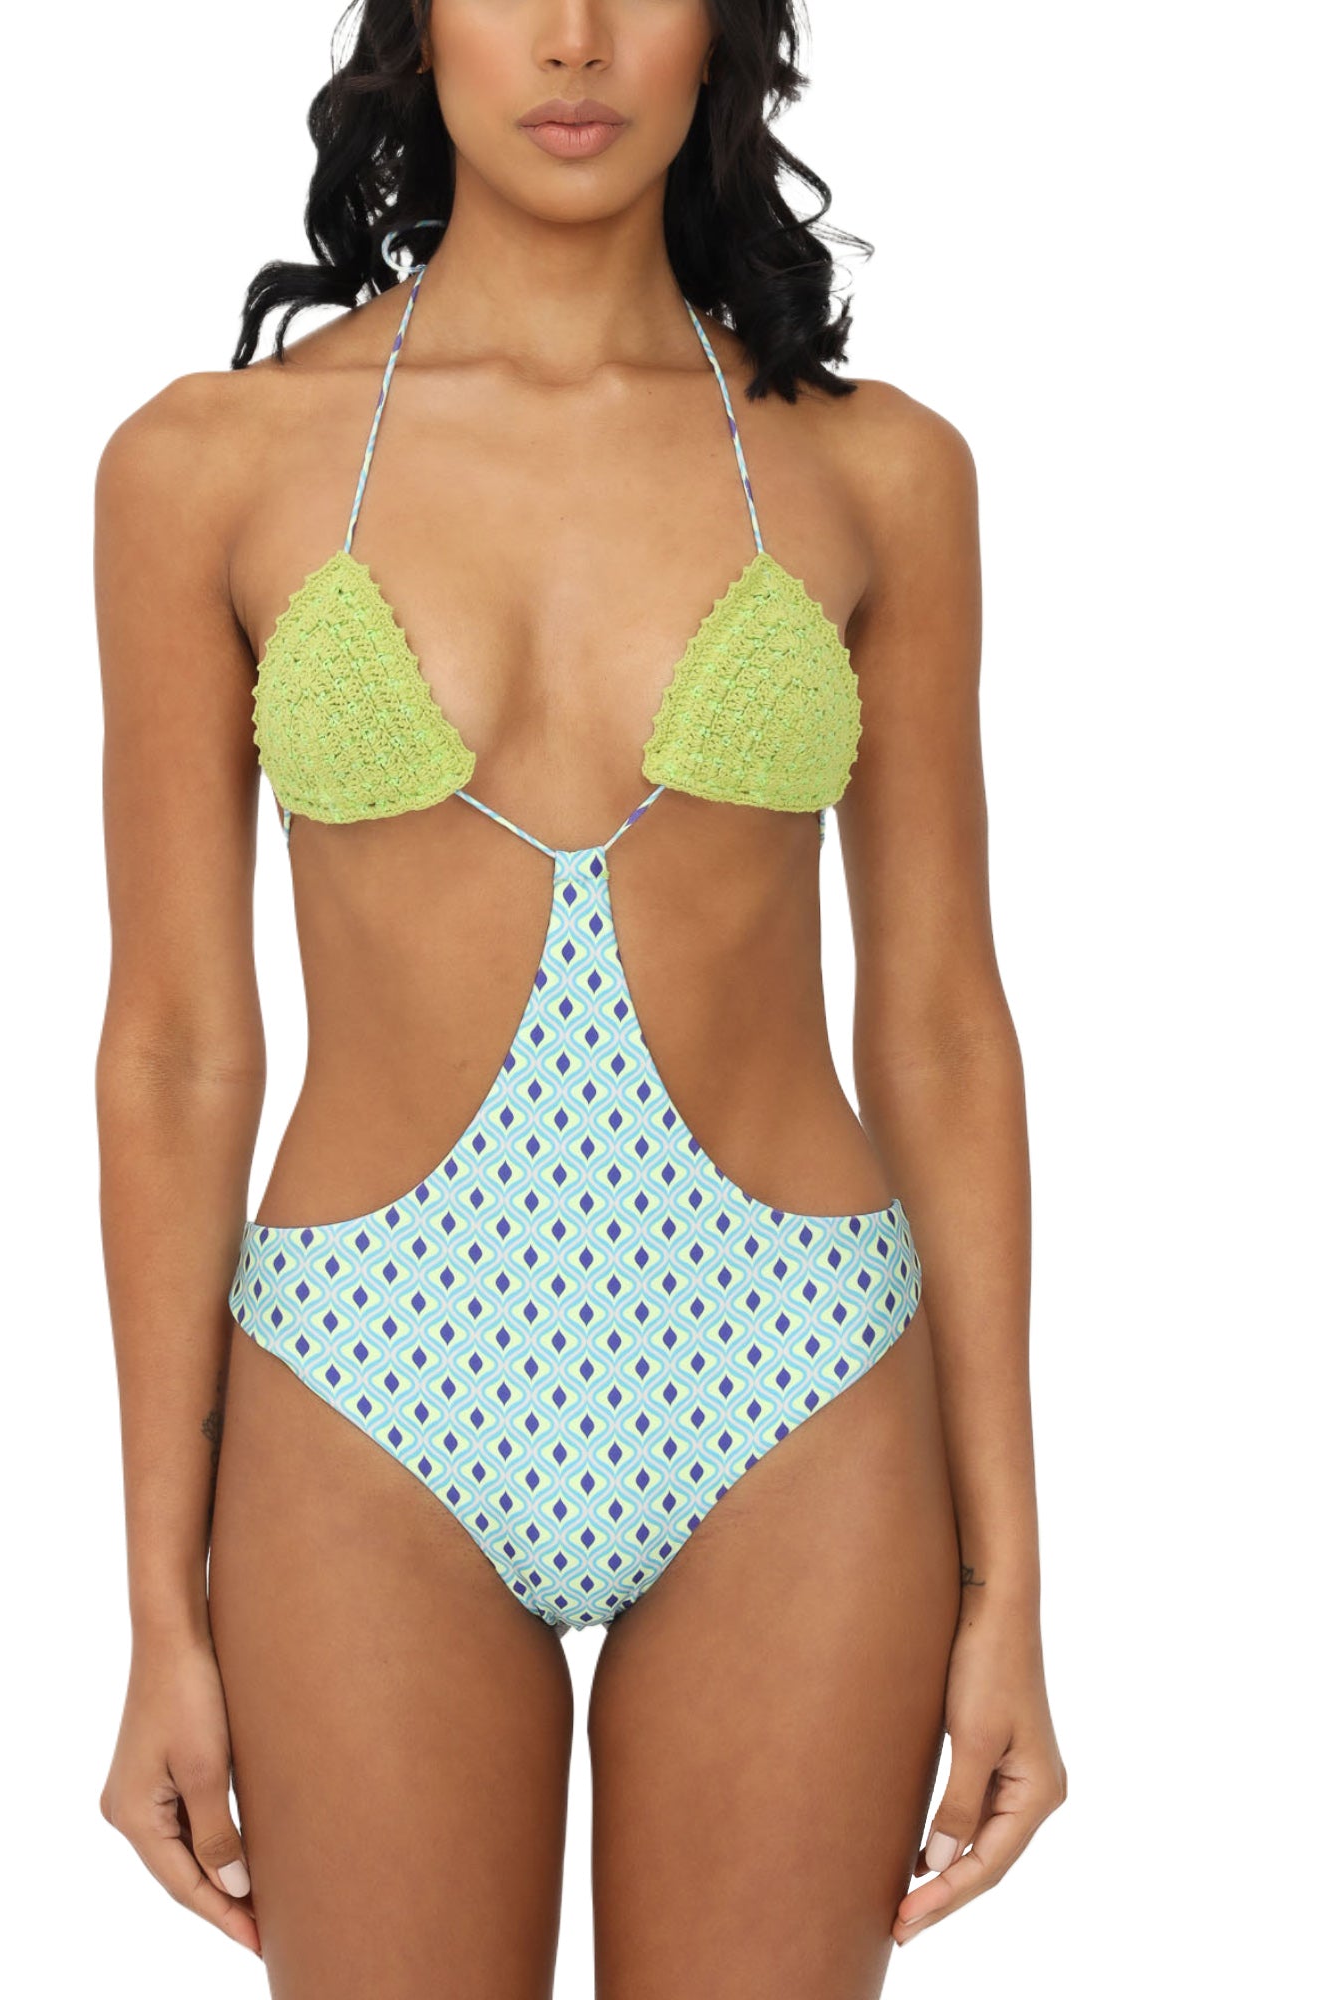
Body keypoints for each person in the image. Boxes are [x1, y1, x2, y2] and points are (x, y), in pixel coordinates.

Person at [94, 3, 1066, 1992]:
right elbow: (179, 1047)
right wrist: (156, 1614)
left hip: (796, 1378)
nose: (573, 38)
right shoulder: (206, 465)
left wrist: (1013, 1582)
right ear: (415, 24)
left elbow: (943, 1022)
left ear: (725, 30)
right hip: (367, 1385)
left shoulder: (879, 470)